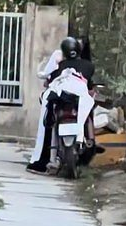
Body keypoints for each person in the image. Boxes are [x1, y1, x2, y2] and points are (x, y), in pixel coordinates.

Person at [27, 37, 101, 173]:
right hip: (79, 100)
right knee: (88, 110)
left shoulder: (61, 65)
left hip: (62, 98)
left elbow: (49, 79)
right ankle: (90, 140)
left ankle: (51, 157)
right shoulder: (89, 65)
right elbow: (89, 83)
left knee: (50, 120)